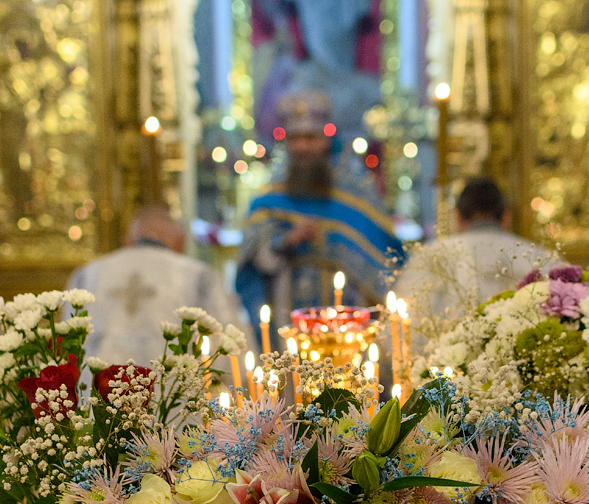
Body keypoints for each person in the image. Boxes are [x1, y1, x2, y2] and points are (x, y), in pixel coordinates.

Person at [236, 92, 405, 336]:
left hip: (348, 324)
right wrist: (285, 241)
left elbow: (382, 257)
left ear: (327, 139)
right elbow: (251, 262)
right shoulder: (269, 197)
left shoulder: (356, 193)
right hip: (286, 323)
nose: (302, 146)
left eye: (310, 137)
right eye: (294, 138)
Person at [66, 206, 251, 365]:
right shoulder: (199, 275)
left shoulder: (87, 274)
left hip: (96, 397)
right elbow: (231, 347)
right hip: (173, 399)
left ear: (126, 240)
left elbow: (70, 344)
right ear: (181, 243)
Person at [394, 177, 556, 333]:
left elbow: (406, 325)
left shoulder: (432, 255)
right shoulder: (536, 255)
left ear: (457, 216)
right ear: (506, 216)